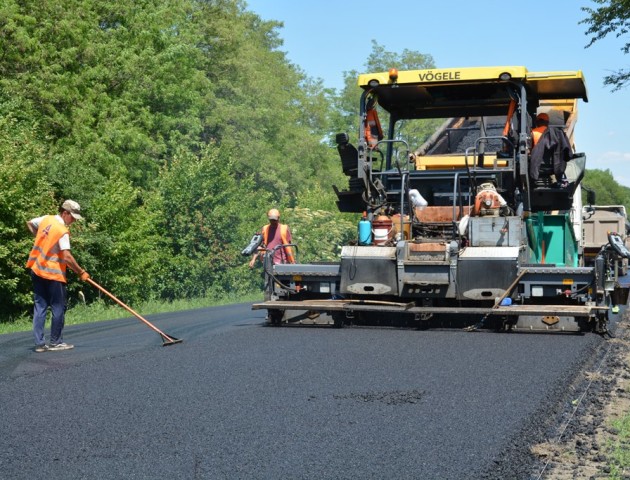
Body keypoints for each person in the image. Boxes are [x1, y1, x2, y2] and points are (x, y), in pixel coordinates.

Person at [26, 200, 90, 352]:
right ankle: (56, 342)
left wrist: (40, 238)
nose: (73, 221)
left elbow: (30, 223)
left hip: (37, 269)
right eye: (72, 217)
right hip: (53, 274)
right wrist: (81, 272)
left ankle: (40, 344)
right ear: (65, 212)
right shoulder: (62, 231)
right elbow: (67, 257)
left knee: (40, 307)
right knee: (58, 307)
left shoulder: (46, 219)